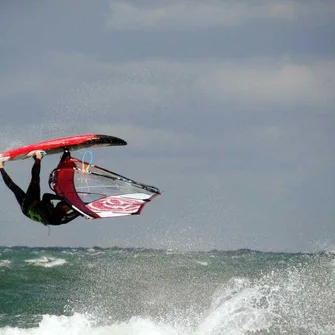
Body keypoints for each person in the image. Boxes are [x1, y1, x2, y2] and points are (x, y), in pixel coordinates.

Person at [0, 151, 80, 226]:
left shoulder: (54, 216)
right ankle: (0, 166)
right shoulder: (58, 215)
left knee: (35, 179)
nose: (62, 204)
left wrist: (61, 197)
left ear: (62, 210)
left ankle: (38, 157)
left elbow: (46, 196)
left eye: (63, 205)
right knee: (13, 188)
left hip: (30, 204)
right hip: (27, 211)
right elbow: (79, 212)